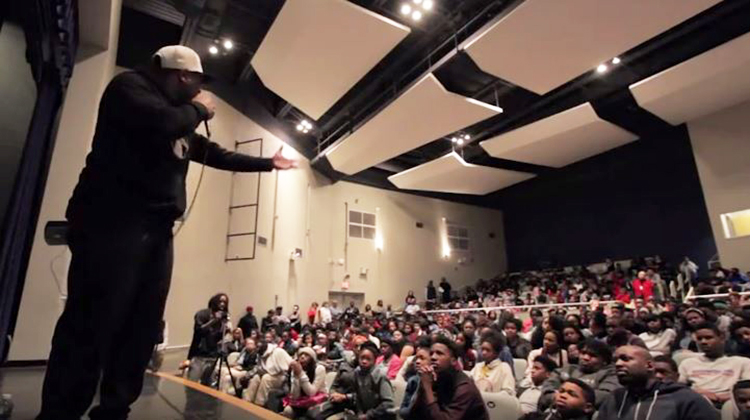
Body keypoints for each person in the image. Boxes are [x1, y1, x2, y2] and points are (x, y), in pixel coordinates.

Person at [36, 45, 297, 420]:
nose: (198, 92)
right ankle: (60, 412)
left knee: (141, 325)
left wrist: (268, 164)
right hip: (113, 222)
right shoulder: (130, 89)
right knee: (92, 321)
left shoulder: (179, 119)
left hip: (157, 231)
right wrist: (199, 110)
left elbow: (216, 154)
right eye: (195, 83)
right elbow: (160, 122)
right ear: (179, 75)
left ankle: (114, 408)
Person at [597, 345, 719, 420]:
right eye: (615, 360)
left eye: (625, 359)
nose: (618, 364)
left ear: (649, 365)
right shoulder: (614, 398)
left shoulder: (685, 398)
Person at [408, 336, 489, 420]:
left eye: (439, 353)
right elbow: (415, 415)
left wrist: (428, 388)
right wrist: (423, 386)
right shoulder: (436, 378)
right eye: (431, 353)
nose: (433, 357)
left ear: (453, 361)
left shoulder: (465, 388)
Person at [678, 322, 750, 407]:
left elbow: (747, 387)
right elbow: (679, 387)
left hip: (731, 402)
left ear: (722, 338)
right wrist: (698, 393)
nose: (703, 342)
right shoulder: (688, 363)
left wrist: (728, 397)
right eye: (699, 339)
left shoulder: (742, 362)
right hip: (696, 401)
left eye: (708, 338)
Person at [322, 341, 395, 420]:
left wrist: (369, 415)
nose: (364, 361)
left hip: (380, 415)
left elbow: (388, 403)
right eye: (362, 358)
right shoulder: (357, 373)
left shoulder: (380, 376)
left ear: (374, 360)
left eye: (368, 359)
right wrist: (360, 413)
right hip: (363, 414)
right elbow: (358, 396)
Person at [539, 339, 619, 409]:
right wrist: (560, 399)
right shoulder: (567, 369)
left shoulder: (610, 373)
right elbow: (546, 393)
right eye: (583, 353)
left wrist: (568, 399)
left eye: (593, 355)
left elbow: (605, 397)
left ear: (604, 361)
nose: (586, 358)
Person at [186, 293, 231, 384]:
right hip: (199, 354)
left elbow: (216, 337)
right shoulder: (202, 314)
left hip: (212, 355)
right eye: (221, 301)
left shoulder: (222, 318)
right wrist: (214, 320)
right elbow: (199, 331)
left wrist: (225, 330)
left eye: (225, 302)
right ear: (215, 301)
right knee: (192, 383)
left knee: (207, 384)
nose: (223, 304)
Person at [245, 340, 294, 407]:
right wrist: (247, 375)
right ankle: (247, 401)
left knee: (266, 378)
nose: (257, 348)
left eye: (259, 347)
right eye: (257, 347)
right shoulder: (260, 354)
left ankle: (259, 404)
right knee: (256, 377)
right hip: (268, 375)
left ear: (265, 346)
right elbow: (258, 369)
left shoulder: (278, 351)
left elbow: (288, 368)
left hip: (281, 377)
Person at [283, 347, 327, 419]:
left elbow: (311, 393)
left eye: (306, 355)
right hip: (301, 401)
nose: (302, 357)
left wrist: (301, 374)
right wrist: (295, 376)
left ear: (312, 359)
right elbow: (295, 396)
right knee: (287, 410)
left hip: (316, 401)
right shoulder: (296, 369)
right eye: (301, 355)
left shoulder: (319, 369)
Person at [520, 378, 595, 420]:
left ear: (587, 407)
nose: (563, 395)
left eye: (572, 394)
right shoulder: (533, 417)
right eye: (561, 391)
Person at [469, 331, 516, 395]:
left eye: (488, 350)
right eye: (482, 349)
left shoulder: (504, 368)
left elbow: (508, 391)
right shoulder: (478, 366)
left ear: (496, 352)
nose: (484, 353)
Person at [399, 337, 432, 418]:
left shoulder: (437, 382)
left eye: (422, 358)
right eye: (417, 358)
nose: (417, 362)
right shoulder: (413, 381)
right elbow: (402, 411)